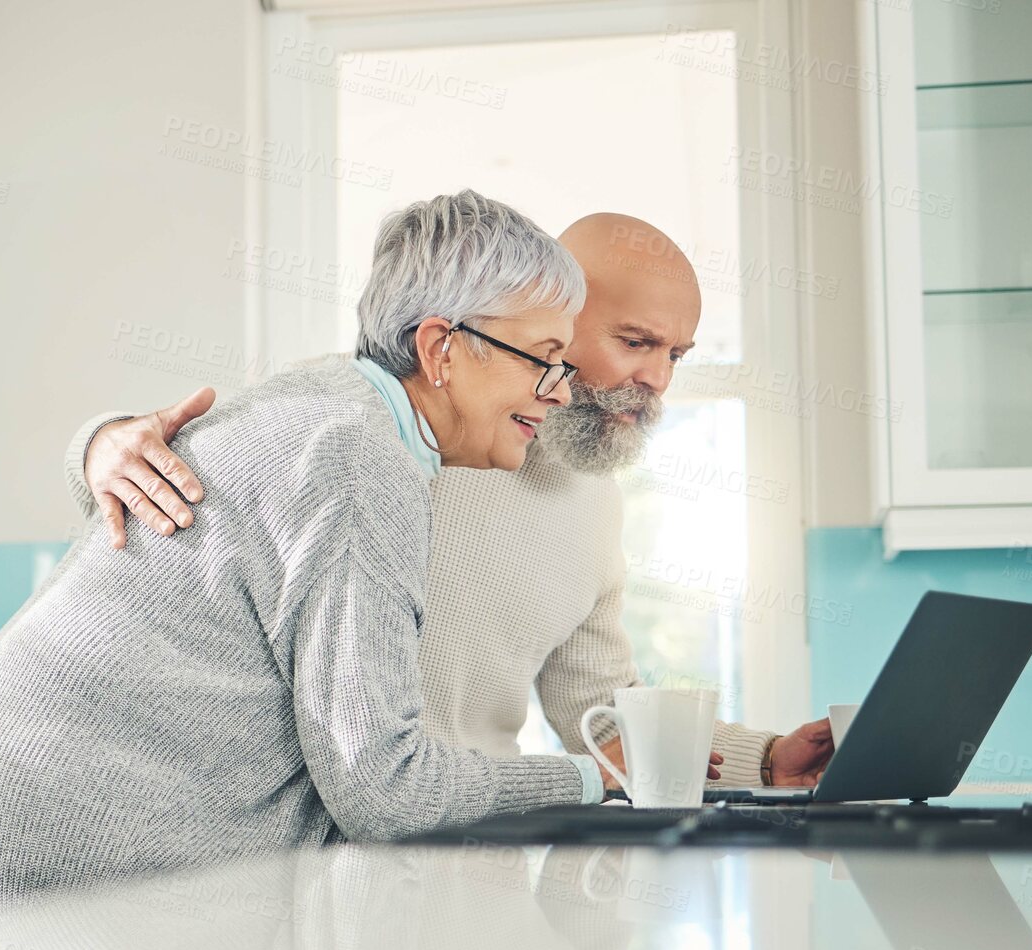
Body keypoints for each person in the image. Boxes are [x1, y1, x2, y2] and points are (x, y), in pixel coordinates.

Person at [0, 191, 614, 905]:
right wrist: (596, 780)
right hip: (79, 830)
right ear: (440, 348)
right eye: (543, 360)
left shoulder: (324, 402)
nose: (559, 394)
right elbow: (387, 791)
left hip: (18, 802)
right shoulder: (357, 457)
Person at [67, 212, 833, 787]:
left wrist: (765, 761)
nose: (658, 380)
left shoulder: (593, 500)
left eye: (675, 354)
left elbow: (597, 711)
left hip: (473, 825)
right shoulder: (376, 422)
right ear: (550, 319)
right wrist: (97, 443)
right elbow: (188, 476)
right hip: (332, 831)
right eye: (634, 342)